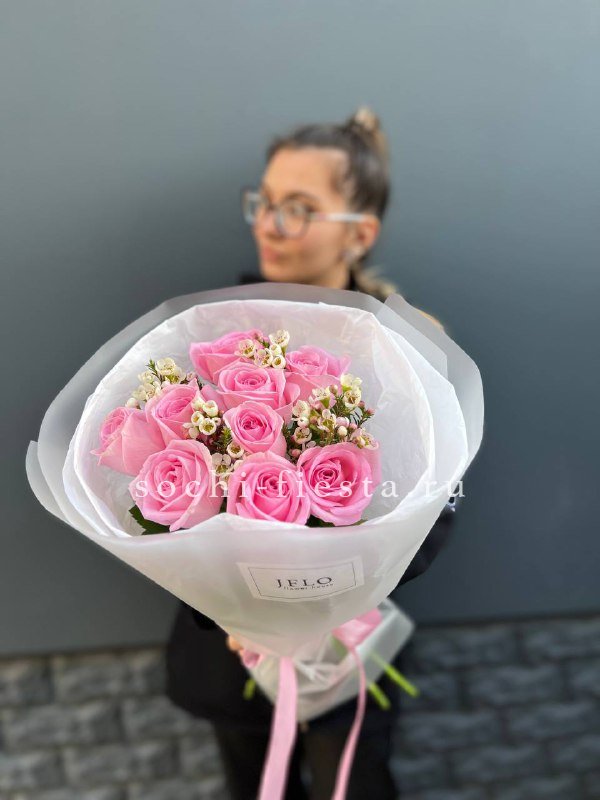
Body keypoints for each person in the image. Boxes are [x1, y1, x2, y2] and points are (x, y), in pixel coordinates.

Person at [165, 107, 459, 799]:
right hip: (232, 647)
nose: (270, 225)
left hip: (349, 646)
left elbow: (436, 509)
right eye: (264, 203)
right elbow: (167, 490)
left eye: (298, 209)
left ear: (359, 233)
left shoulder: (403, 345)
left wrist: (325, 599)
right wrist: (239, 609)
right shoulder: (216, 336)